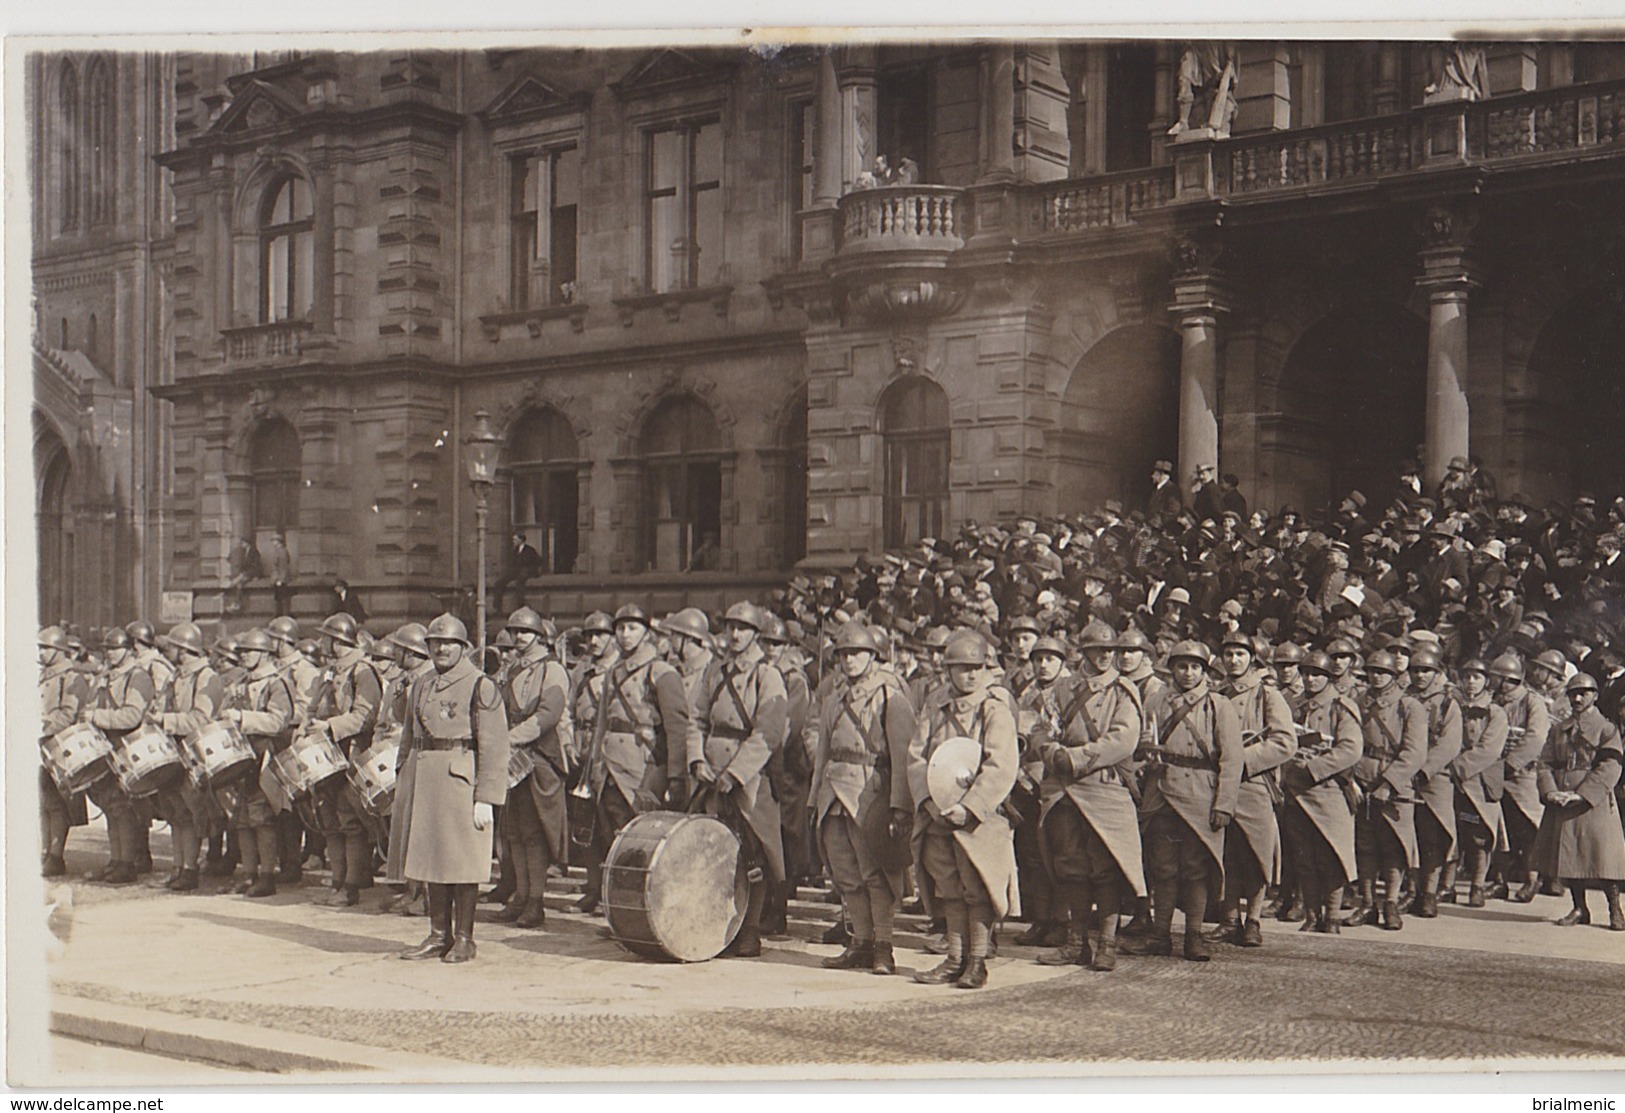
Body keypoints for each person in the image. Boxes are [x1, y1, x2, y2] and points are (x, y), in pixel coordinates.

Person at [907, 630, 1020, 989]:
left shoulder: (994, 708)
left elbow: (1000, 764)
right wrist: (928, 801)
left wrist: (970, 807)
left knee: (978, 887)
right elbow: (916, 756)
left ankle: (977, 961)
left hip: (978, 819)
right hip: (938, 813)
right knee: (948, 888)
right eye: (961, 668)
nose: (969, 675)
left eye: (976, 668)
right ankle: (954, 958)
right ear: (948, 670)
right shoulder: (934, 704)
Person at [1030, 622, 1144, 972]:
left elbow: (1124, 739)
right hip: (1064, 791)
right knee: (1071, 868)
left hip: (1104, 788)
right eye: (1097, 649)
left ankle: (1106, 944)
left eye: (1109, 649)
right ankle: (1076, 943)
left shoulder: (1122, 691)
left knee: (1106, 868)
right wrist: (1050, 751)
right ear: (1083, 652)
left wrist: (1077, 758)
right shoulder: (1063, 689)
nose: (1106, 654)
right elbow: (1039, 728)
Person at [397, 615, 510, 963]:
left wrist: (487, 797)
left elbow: (494, 745)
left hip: (462, 778)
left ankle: (465, 937)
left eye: (449, 643)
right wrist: (403, 772)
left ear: (463, 647)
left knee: (462, 862)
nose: (441, 648)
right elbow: (408, 734)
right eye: (434, 643)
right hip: (426, 776)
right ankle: (437, 934)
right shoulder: (422, 683)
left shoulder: (480, 685)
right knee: (432, 860)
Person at [1121, 641, 1242, 963]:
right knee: (1161, 867)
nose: (1188, 673)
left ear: (1204, 671)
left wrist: (1224, 804)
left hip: (1200, 793)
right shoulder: (1157, 700)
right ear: (1172, 669)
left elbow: (1232, 759)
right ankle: (1159, 935)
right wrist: (1144, 753)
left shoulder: (1218, 705)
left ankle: (1194, 936)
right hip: (1161, 793)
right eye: (1181, 666)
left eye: (1195, 667)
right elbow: (1136, 745)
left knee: (1195, 869)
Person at [810, 620, 917, 974]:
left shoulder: (890, 696)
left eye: (857, 653)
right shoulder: (833, 698)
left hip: (869, 792)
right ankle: (860, 941)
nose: (849, 660)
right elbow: (823, 752)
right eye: (843, 654)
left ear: (873, 656)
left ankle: (883, 946)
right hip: (833, 792)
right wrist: (815, 799)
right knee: (844, 874)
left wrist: (900, 806)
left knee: (876, 874)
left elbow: (903, 755)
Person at [689, 602, 789, 958]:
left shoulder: (767, 676)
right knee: (713, 852)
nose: (734, 635)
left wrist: (736, 773)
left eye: (742, 629)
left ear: (756, 634)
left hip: (749, 779)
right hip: (710, 775)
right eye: (730, 627)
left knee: (752, 856)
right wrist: (696, 758)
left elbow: (768, 733)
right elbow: (697, 718)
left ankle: (750, 930)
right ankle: (720, 927)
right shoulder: (715, 671)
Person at [580, 605, 694, 911]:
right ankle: (620, 909)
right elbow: (602, 722)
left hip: (643, 768)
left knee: (642, 841)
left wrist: (676, 776)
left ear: (646, 632)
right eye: (620, 628)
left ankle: (648, 910)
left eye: (632, 628)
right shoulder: (613, 673)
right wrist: (595, 765)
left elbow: (677, 726)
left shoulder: (661, 671)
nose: (625, 634)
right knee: (611, 840)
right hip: (610, 768)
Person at [1210, 631, 1296, 948]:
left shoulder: (1268, 696)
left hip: (1254, 782)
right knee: (1228, 853)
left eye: (1240, 655)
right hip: (1220, 784)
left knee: (1257, 853)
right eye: (1229, 654)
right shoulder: (1216, 694)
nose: (1233, 660)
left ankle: (1254, 920)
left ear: (1252, 659)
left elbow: (1285, 742)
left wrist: (1241, 760)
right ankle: (1229, 919)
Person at [1532, 671, 1625, 930]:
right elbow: (1544, 763)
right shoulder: (1558, 729)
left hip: (1593, 801)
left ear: (1595, 696)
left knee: (1604, 858)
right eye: (1573, 693)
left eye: (1583, 692)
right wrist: (1550, 791)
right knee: (1570, 857)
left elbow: (1611, 765)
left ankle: (1614, 909)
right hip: (1562, 799)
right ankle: (1579, 907)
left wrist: (1582, 794)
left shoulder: (1607, 728)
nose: (1577, 698)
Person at [497, 607, 571, 930]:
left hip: (539, 757)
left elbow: (548, 715)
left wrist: (509, 738)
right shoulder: (514, 669)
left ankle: (536, 901)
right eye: (514, 632)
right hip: (512, 758)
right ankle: (521, 895)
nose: (518, 637)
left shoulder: (552, 670)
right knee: (513, 830)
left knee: (535, 833)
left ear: (539, 635)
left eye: (525, 632)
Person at [305, 612, 384, 907]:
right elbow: (313, 706)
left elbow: (365, 716)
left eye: (327, 637)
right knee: (329, 821)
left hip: (350, 754)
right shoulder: (330, 671)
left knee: (350, 822)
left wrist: (330, 726)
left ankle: (351, 886)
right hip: (325, 756)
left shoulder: (362, 671)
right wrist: (308, 726)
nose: (323, 642)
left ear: (339, 641)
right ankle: (337, 881)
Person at [1282, 651, 1363, 933]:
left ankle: (1331, 916)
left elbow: (1351, 749)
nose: (1310, 679)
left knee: (1332, 856)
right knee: (1304, 858)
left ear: (1329, 677)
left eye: (1316, 674)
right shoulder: (1293, 704)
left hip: (1329, 790)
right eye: (1305, 673)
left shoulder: (1341, 706)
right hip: (1296, 790)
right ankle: (1312, 915)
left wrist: (1314, 766)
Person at [215, 628, 294, 898]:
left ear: (264, 654)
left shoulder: (276, 684)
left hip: (264, 757)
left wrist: (242, 717)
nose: (244, 656)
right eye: (242, 652)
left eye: (249, 651)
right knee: (241, 819)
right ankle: (248, 873)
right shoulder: (240, 683)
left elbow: (278, 721)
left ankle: (267, 875)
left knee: (262, 820)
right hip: (239, 757)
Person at [1351, 650, 1425, 930]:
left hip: (1397, 784)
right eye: (1371, 671)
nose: (1376, 676)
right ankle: (1367, 903)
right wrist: (1352, 780)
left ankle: (1391, 903)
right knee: (1365, 845)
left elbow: (1415, 751)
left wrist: (1389, 783)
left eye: (1382, 672)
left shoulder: (1409, 706)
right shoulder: (1359, 702)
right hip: (1362, 777)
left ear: (1395, 675)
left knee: (1395, 846)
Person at [150, 622, 226, 892]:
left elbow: (200, 719)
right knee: (175, 813)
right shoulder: (176, 676)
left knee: (191, 813)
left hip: (194, 754)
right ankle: (178, 867)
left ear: (183, 649)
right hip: (172, 752)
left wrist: (165, 720)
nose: (165, 651)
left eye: (170, 646)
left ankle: (190, 870)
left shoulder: (206, 677)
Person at [1010, 634, 1073, 952]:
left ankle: (1062, 921)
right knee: (1034, 854)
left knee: (1061, 853)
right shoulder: (1028, 693)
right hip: (1030, 779)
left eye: (1050, 659)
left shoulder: (1071, 691)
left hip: (1062, 780)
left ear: (1062, 662)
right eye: (1038, 659)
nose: (1043, 665)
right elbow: (1021, 737)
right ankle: (1041, 918)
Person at [81, 628, 156, 884]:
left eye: (115, 649)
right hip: (105, 749)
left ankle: (128, 862)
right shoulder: (105, 676)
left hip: (127, 749)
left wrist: (97, 717)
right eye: (107, 649)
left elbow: (132, 716)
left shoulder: (137, 677)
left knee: (124, 809)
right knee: (111, 808)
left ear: (128, 649)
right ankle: (116, 860)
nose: (110, 654)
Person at [1448, 659, 1508, 908]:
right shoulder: (1451, 705)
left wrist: (1456, 768)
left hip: (1480, 781)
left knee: (1480, 836)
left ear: (1487, 681)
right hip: (1451, 782)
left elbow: (1489, 749)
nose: (1471, 681)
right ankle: (1447, 886)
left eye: (1477, 677)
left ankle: (1477, 886)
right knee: (1452, 833)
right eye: (1467, 676)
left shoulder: (1495, 712)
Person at [1489, 653, 1548, 902]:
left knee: (1529, 829)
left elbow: (1535, 738)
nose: (1504, 685)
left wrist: (1511, 763)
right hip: (1493, 773)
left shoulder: (1532, 701)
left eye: (1508, 681)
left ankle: (1532, 879)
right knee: (1498, 828)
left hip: (1523, 775)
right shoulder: (1494, 701)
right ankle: (1498, 881)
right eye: (1501, 680)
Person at [1409, 647, 1463, 915]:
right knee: (1407, 836)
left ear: (1437, 673)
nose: (1420, 675)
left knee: (1434, 836)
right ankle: (1410, 890)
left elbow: (1449, 744)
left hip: (1435, 777)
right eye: (1415, 670)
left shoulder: (1447, 703)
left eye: (1426, 671)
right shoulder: (1404, 699)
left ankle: (1429, 892)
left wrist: (1424, 769)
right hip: (1404, 774)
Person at [39, 626, 91, 878]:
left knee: (57, 804)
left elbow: (69, 713)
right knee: (42, 802)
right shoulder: (42, 675)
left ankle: (56, 855)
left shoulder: (71, 678)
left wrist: (42, 726)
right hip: (38, 745)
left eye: (45, 648)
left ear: (59, 650)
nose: (40, 652)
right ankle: (45, 850)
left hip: (59, 746)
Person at [493, 533, 544, 613]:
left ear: (521, 540)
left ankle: (520, 605)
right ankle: (497, 606)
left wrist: (531, 569)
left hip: (527, 571)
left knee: (520, 581)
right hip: (516, 571)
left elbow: (538, 561)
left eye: (515, 540)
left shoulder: (530, 550)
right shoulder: (515, 550)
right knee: (499, 582)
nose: (513, 541)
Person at [264, 533, 294, 616]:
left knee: (282, 597)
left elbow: (283, 567)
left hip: (280, 579)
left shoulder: (282, 552)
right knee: (278, 597)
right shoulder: (278, 551)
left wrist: (281, 579)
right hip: (277, 578)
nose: (273, 543)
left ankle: (283, 614)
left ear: (279, 542)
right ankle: (279, 614)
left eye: (274, 541)